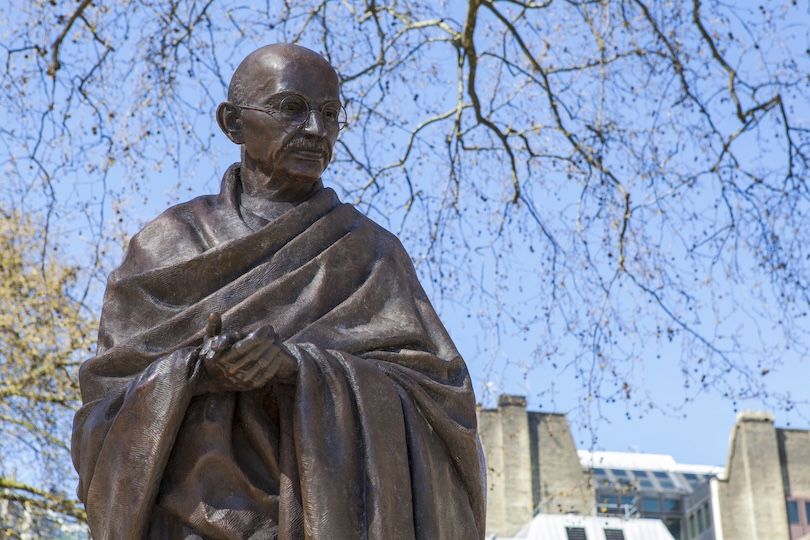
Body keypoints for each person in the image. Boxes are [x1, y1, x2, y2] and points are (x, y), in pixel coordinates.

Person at [72, 43, 486, 539]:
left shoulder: (371, 253)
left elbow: (442, 405)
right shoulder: (167, 245)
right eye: (291, 108)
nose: (316, 130)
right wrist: (196, 371)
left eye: (330, 114)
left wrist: (298, 367)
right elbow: (103, 409)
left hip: (316, 517)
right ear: (233, 123)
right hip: (184, 520)